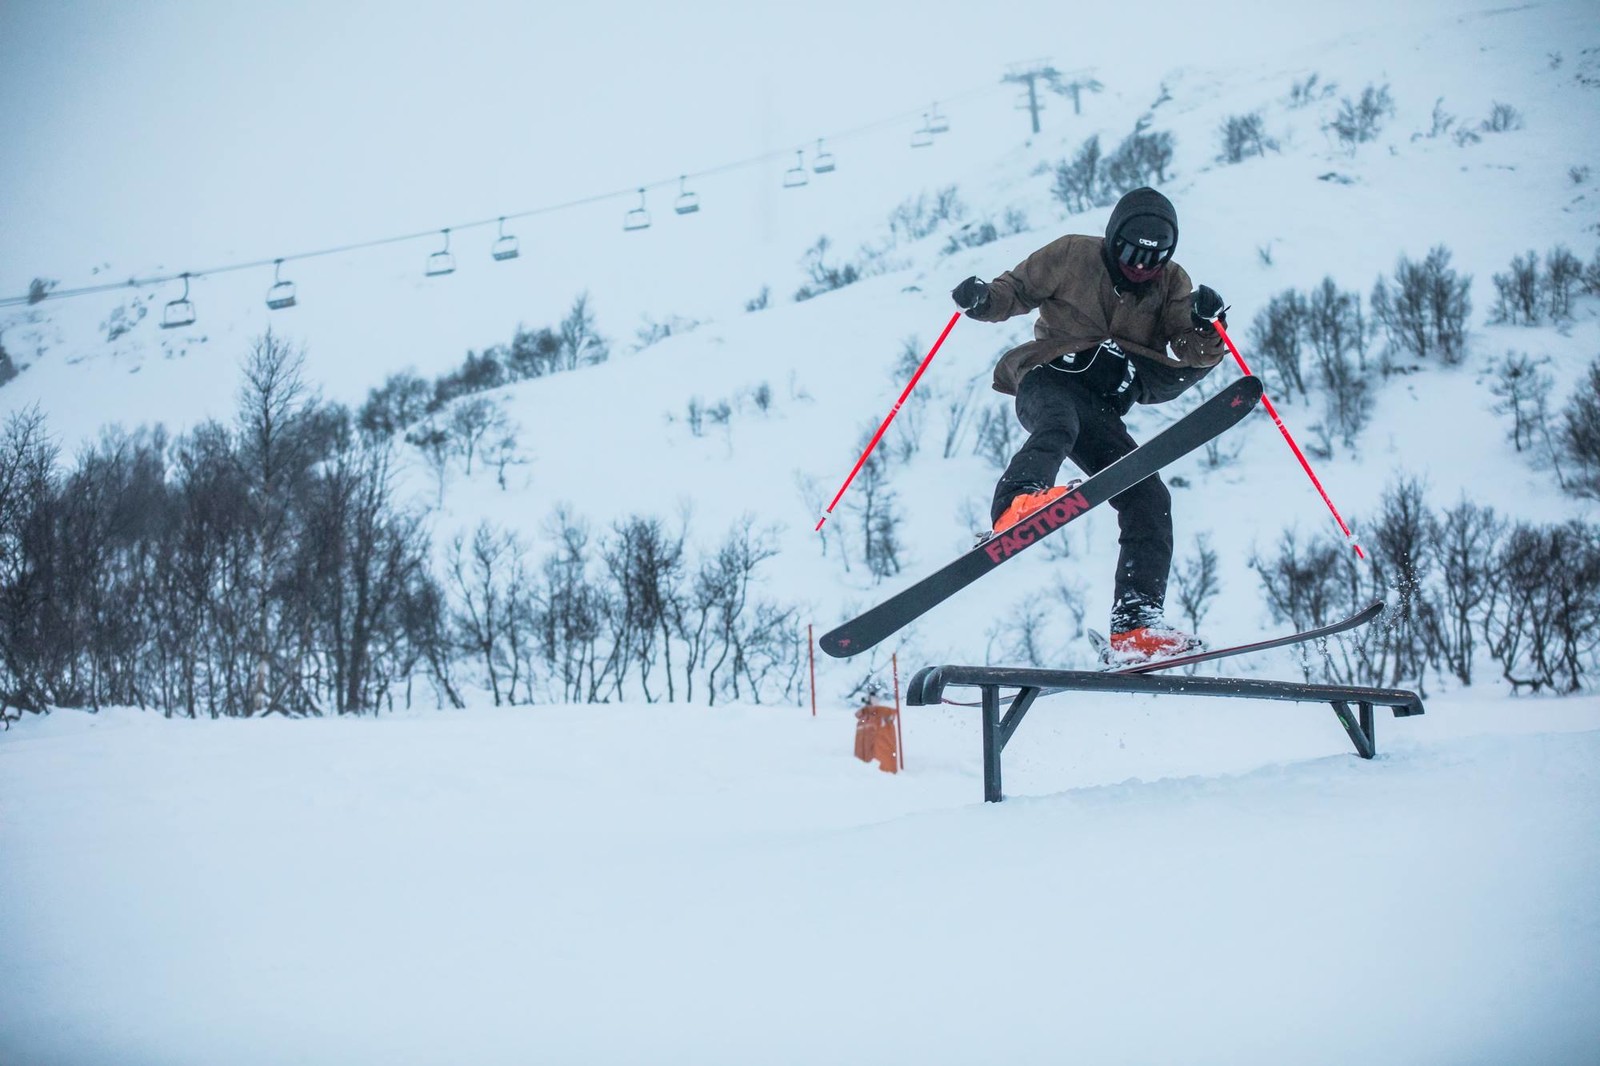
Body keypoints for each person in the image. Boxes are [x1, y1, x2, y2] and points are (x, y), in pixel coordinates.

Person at [950, 186, 1229, 660]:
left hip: (1103, 405)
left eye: (1154, 259)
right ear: (1113, 239)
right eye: (1131, 254)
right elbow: (1014, 290)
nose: (1141, 266)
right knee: (1058, 426)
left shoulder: (1171, 284)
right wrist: (981, 300)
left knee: (1148, 497)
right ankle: (1016, 502)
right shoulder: (1071, 255)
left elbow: (1191, 350)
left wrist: (1206, 325)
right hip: (1049, 377)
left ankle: (1135, 625)